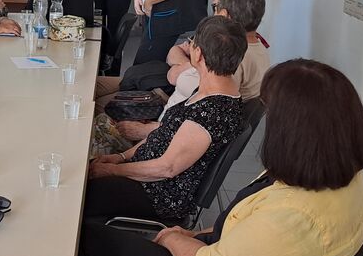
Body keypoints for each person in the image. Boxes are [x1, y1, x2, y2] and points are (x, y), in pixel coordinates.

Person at [68, 59, 363, 256]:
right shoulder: (340, 176)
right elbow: (251, 230)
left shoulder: (298, 214)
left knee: (84, 239)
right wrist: (195, 235)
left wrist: (173, 238)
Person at [84, 15, 247, 221]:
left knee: (78, 192)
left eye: (192, 43)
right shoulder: (210, 89)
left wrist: (113, 170)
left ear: (198, 54)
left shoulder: (213, 111)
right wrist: (121, 157)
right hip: (145, 173)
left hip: (157, 193)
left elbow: (167, 168)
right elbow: (164, 133)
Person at [117, 0, 269, 143]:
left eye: (215, 7)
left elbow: (176, 79)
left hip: (164, 136)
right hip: (168, 127)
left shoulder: (229, 56)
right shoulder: (256, 49)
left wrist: (142, 131)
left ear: (224, 15)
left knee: (103, 106)